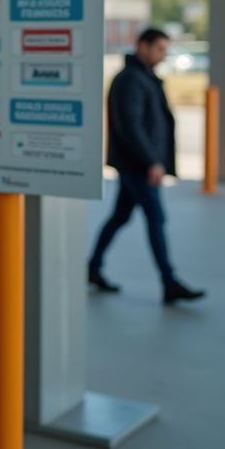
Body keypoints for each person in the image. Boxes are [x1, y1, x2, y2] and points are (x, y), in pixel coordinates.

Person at [88, 28, 206, 305]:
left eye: (165, 49)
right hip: (137, 165)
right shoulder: (130, 80)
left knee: (120, 217)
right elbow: (131, 126)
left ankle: (92, 269)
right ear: (143, 46)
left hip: (137, 163)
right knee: (156, 217)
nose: (163, 55)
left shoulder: (143, 77)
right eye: (159, 49)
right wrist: (152, 160)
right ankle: (169, 282)